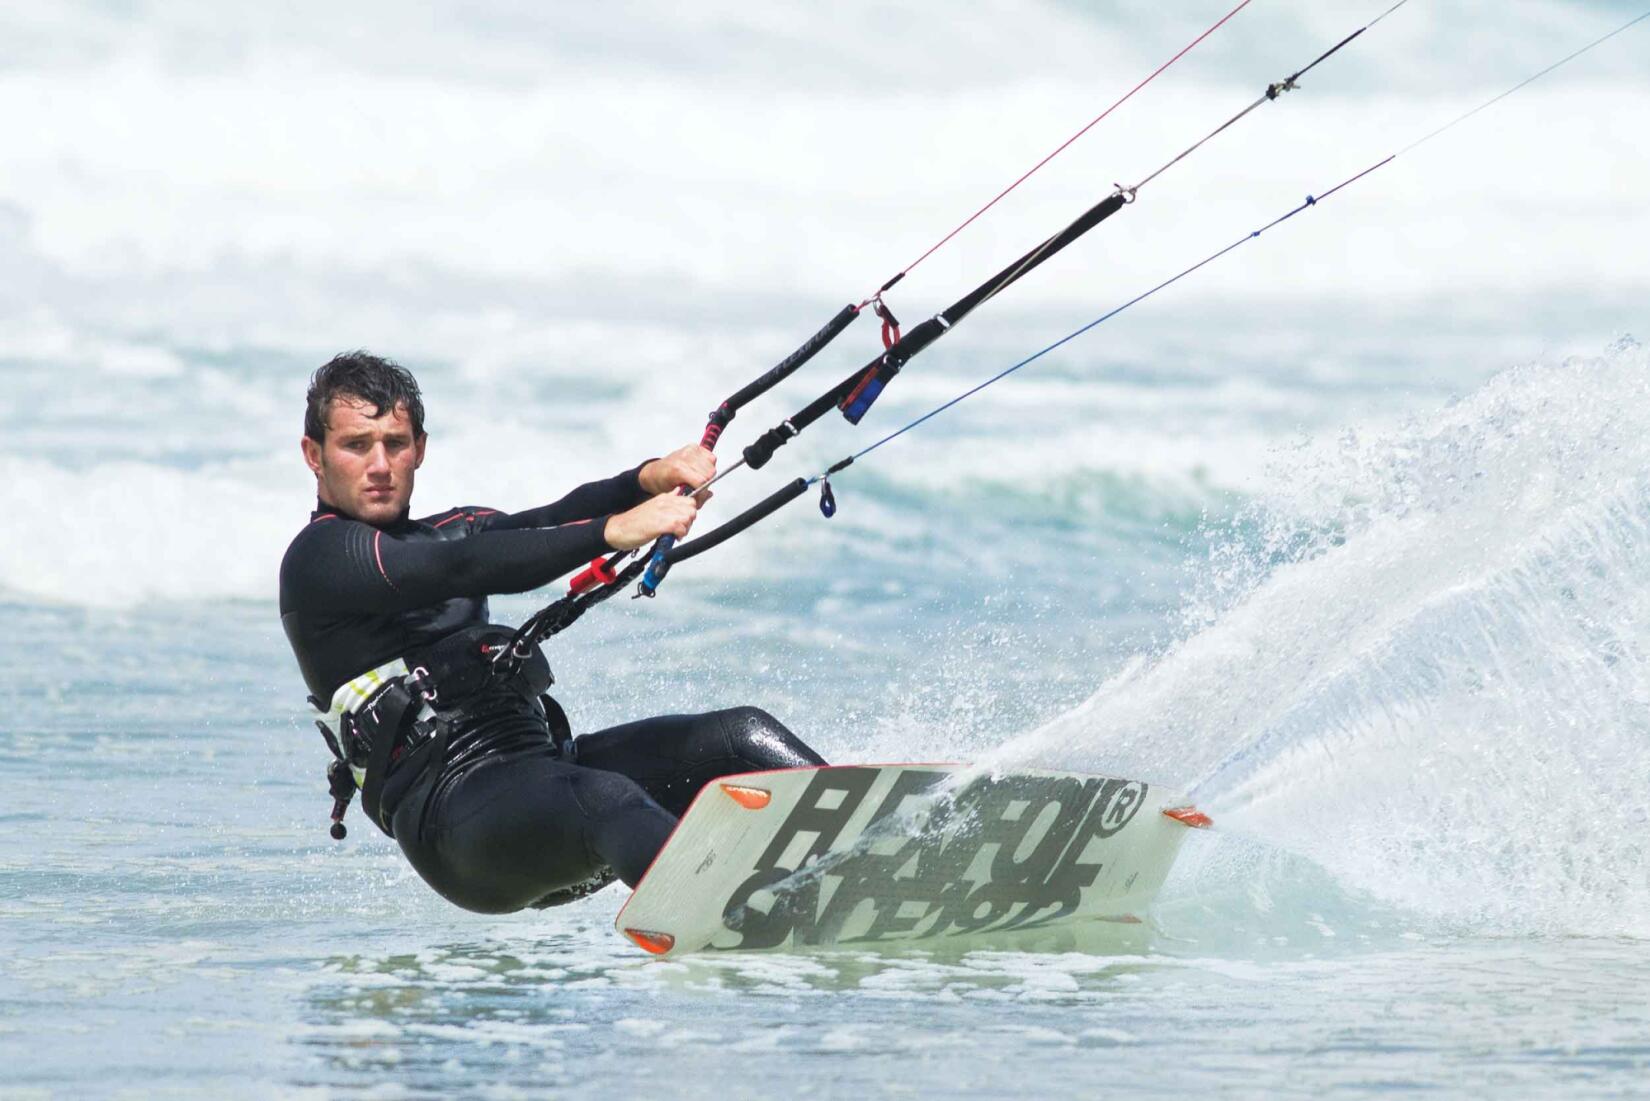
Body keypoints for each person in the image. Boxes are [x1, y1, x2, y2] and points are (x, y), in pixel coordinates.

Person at [279, 351, 826, 913]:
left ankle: (872, 853)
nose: (379, 464)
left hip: (544, 778)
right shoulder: (320, 558)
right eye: (356, 446)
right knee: (608, 798)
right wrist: (614, 531)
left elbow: (543, 521)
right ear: (314, 456)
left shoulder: (447, 533)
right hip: (454, 822)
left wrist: (645, 479)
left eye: (395, 444)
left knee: (739, 736)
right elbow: (466, 567)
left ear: (419, 448)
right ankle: (739, 917)